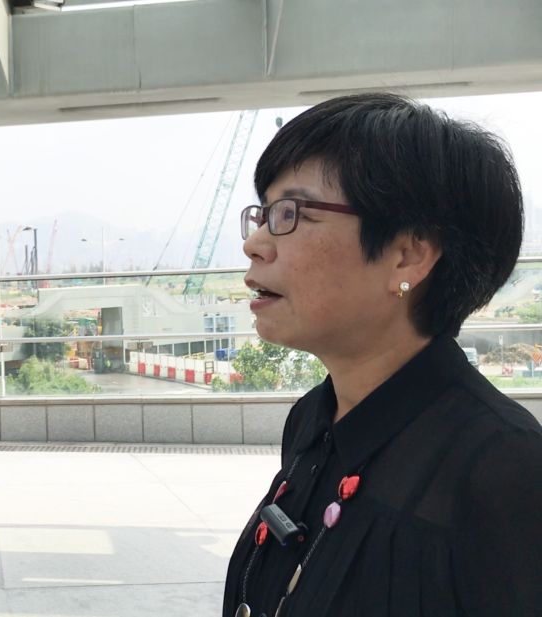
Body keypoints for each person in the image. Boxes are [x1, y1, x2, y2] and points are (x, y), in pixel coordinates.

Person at [223, 93, 542, 617]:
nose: (256, 243)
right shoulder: (311, 419)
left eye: (290, 214)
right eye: (261, 214)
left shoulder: (500, 466)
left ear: (407, 254)